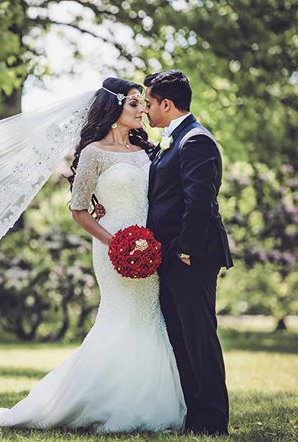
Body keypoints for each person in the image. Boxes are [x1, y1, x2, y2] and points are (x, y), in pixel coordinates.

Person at [0, 78, 187, 433]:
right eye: (134, 103)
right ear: (114, 108)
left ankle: (145, 398)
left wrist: (147, 242)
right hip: (113, 248)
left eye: (142, 103)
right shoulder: (92, 153)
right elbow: (79, 210)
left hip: (147, 247)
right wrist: (115, 241)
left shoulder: (148, 150)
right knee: (120, 316)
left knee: (148, 316)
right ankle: (100, 400)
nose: (142, 110)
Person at [143, 70, 233, 436]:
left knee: (199, 337)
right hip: (170, 257)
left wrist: (184, 251)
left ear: (167, 104)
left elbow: (199, 203)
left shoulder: (196, 141)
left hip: (190, 257)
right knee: (180, 337)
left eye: (148, 103)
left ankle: (213, 420)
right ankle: (195, 416)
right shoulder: (172, 139)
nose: (146, 110)